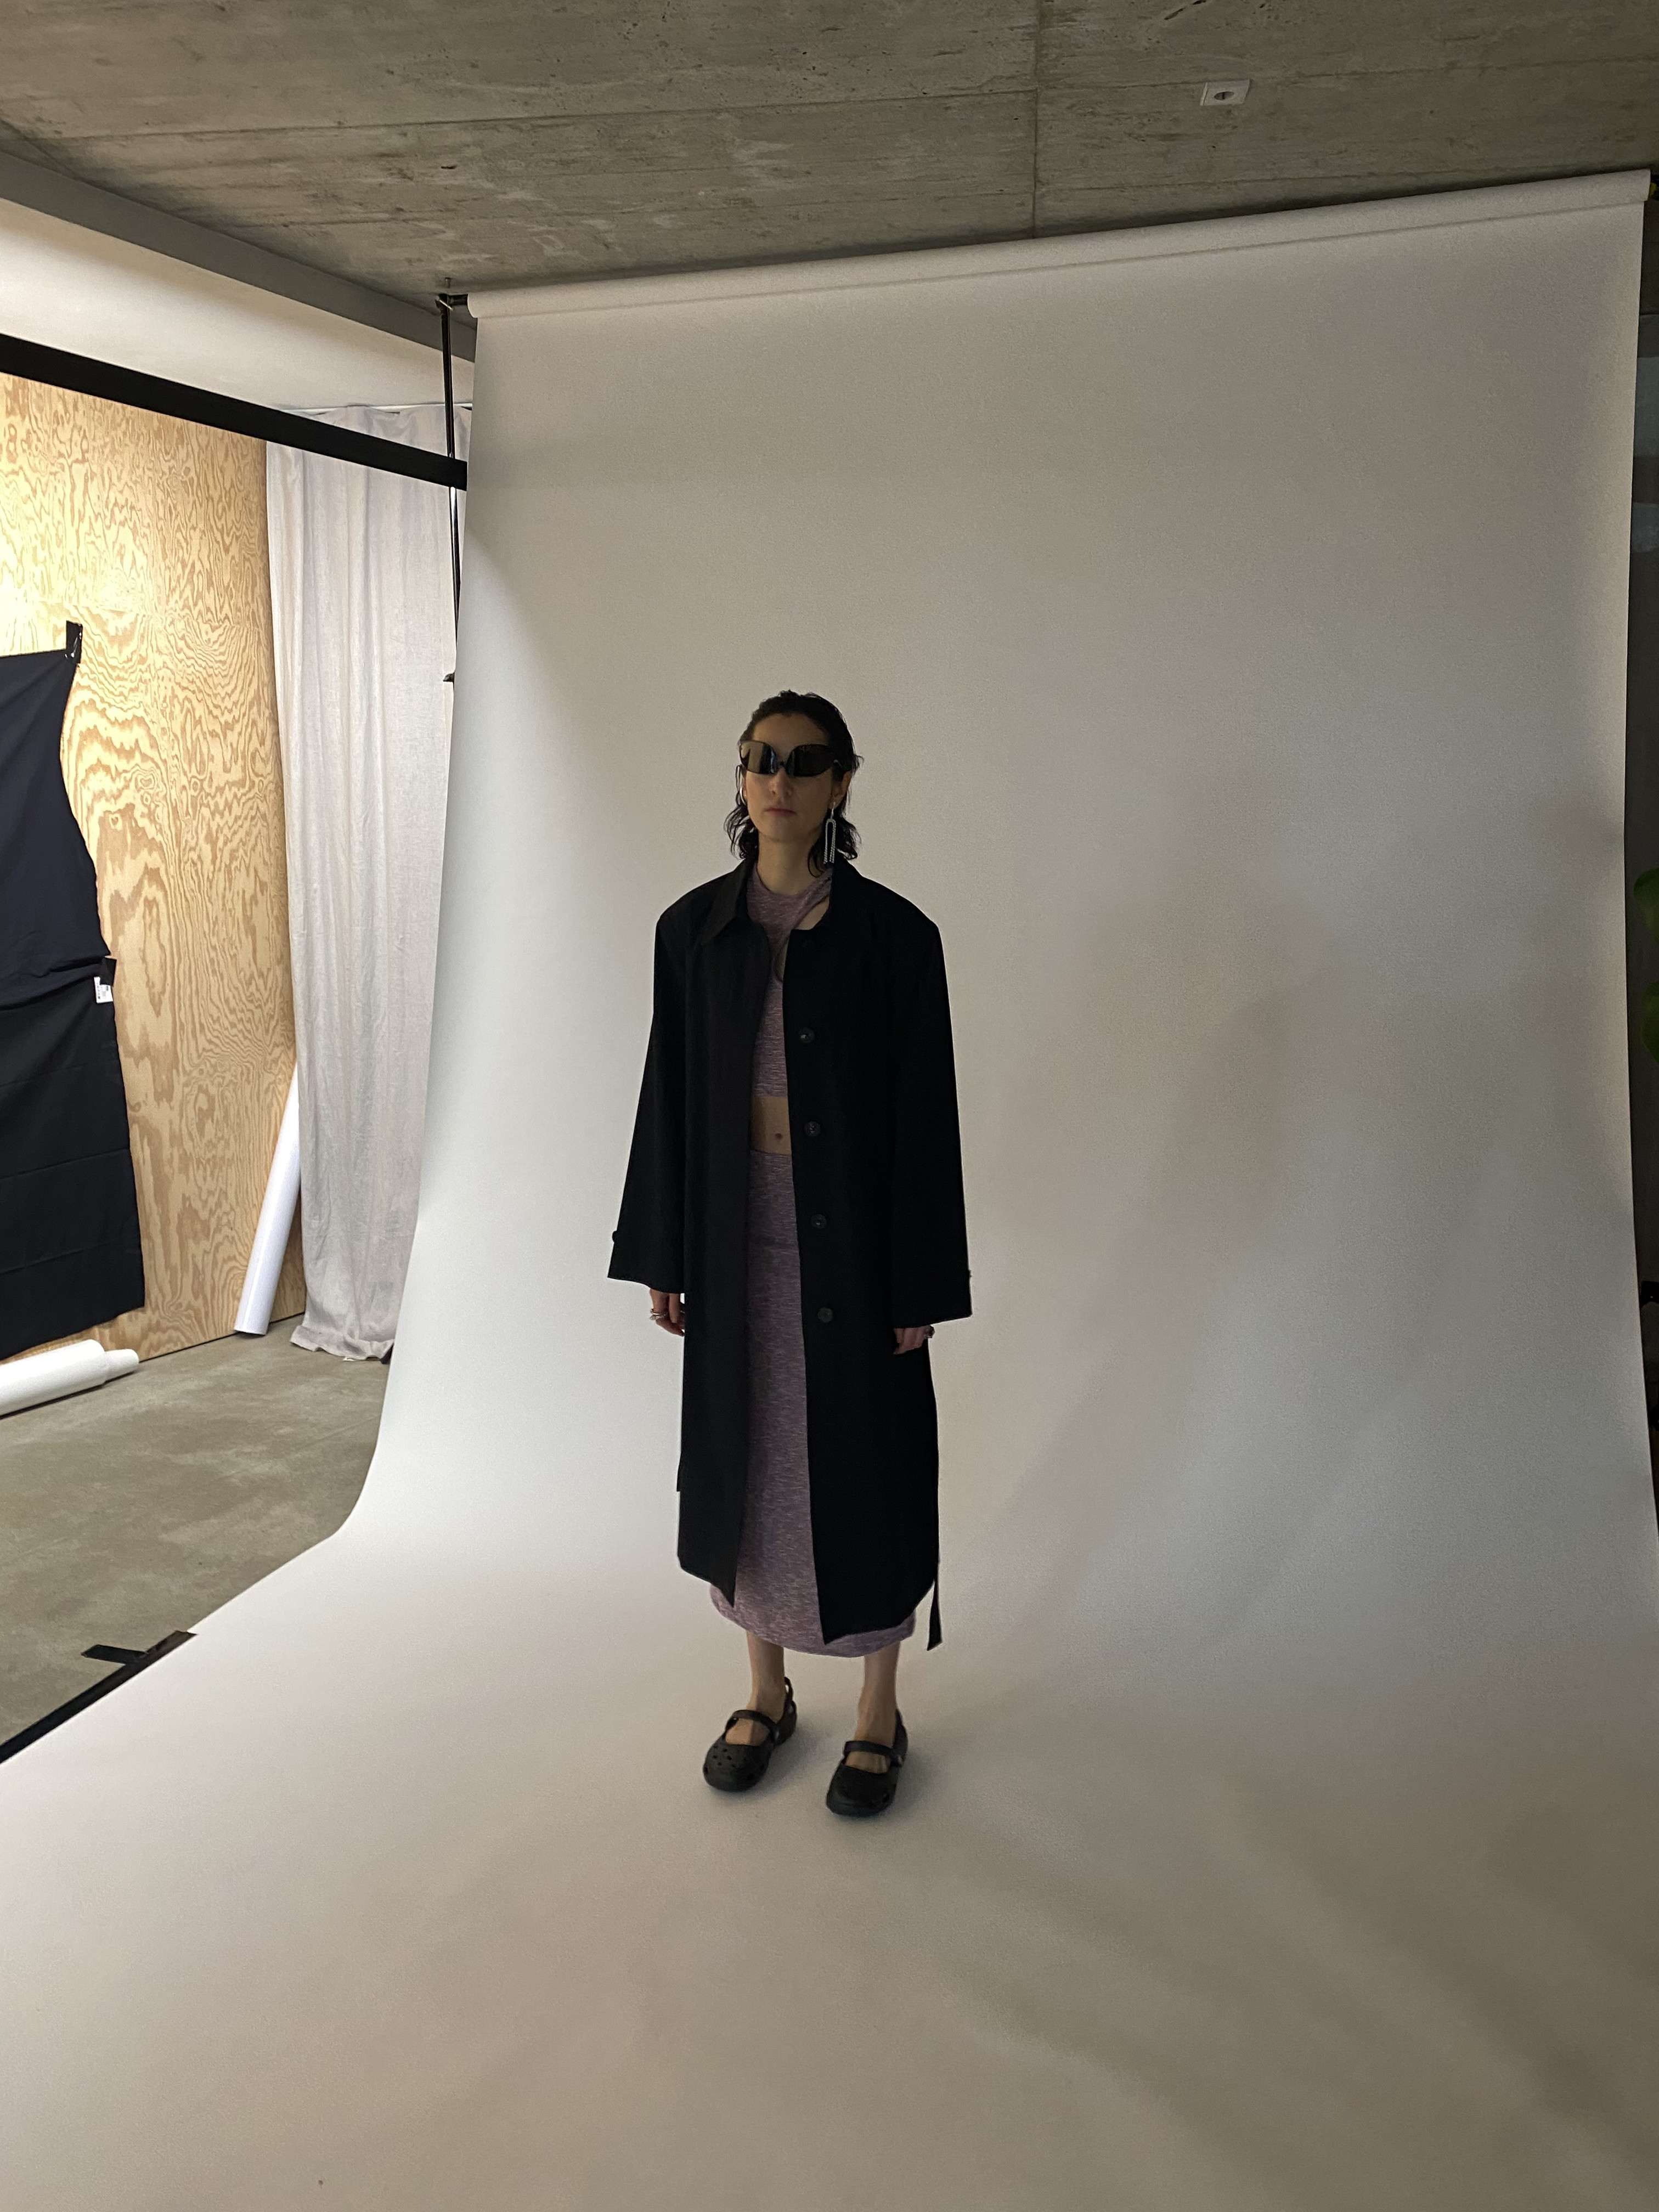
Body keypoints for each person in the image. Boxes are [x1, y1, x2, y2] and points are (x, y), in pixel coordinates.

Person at [609, 689, 971, 1816]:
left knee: (864, 1468)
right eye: (761, 759)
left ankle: (878, 1711)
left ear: (841, 784)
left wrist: (917, 1280)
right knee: (748, 1460)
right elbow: (668, 1100)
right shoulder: (691, 934)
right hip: (735, 1249)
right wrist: (664, 1251)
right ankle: (764, 1692)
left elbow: (924, 1122)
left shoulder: (897, 941)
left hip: (855, 1258)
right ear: (740, 775)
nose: (779, 780)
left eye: (806, 763)